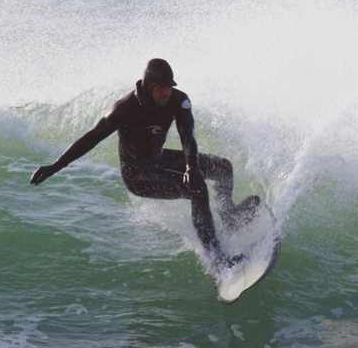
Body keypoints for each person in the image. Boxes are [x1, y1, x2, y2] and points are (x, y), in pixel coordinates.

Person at [30, 58, 259, 269]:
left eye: (170, 86)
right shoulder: (125, 109)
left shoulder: (178, 100)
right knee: (197, 189)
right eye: (162, 87)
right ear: (150, 85)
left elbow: (187, 134)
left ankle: (229, 217)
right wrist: (55, 166)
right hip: (138, 176)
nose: (167, 92)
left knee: (223, 168)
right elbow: (92, 137)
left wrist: (192, 166)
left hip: (158, 158)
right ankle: (217, 259)